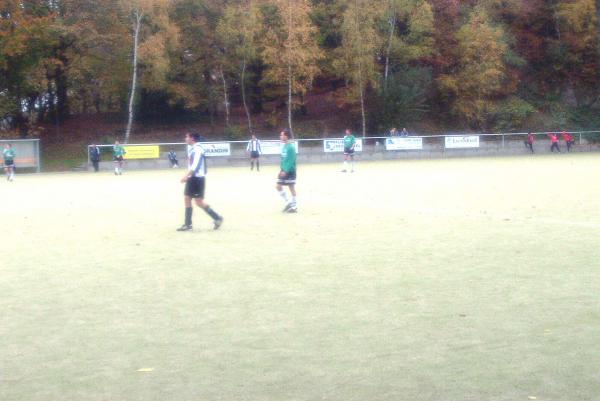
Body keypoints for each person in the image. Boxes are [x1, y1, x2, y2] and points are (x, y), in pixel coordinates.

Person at [177, 132, 224, 231]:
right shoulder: (193, 149)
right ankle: (188, 224)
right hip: (194, 178)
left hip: (197, 178)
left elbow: (195, 166)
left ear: (192, 138)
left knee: (198, 202)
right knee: (188, 198)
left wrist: (186, 176)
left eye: (186, 136)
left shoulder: (198, 149)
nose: (185, 138)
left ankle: (217, 218)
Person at [276, 129, 298, 213]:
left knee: (291, 188)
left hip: (290, 170)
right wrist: (282, 168)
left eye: (282, 135)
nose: (280, 136)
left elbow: (292, 160)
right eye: (280, 135)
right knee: (278, 186)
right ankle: (288, 203)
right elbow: (283, 159)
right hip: (283, 170)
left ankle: (294, 206)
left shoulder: (291, 147)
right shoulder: (284, 146)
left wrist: (286, 170)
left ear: (286, 136)